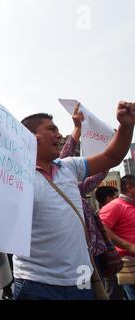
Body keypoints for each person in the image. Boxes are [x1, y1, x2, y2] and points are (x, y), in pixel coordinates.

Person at [13, 101, 135, 300]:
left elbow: (111, 156)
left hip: (81, 282)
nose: (59, 135)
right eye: (51, 130)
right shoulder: (14, 175)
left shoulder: (69, 167)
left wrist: (126, 125)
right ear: (31, 138)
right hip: (35, 284)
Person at [59, 104, 109, 272]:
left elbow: (99, 173)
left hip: (94, 252)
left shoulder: (77, 188)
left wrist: (109, 154)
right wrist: (77, 130)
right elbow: (64, 159)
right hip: (73, 257)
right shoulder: (55, 178)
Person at [99, 175, 135, 300]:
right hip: (129, 265)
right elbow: (102, 228)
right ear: (130, 188)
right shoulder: (115, 206)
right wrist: (128, 246)